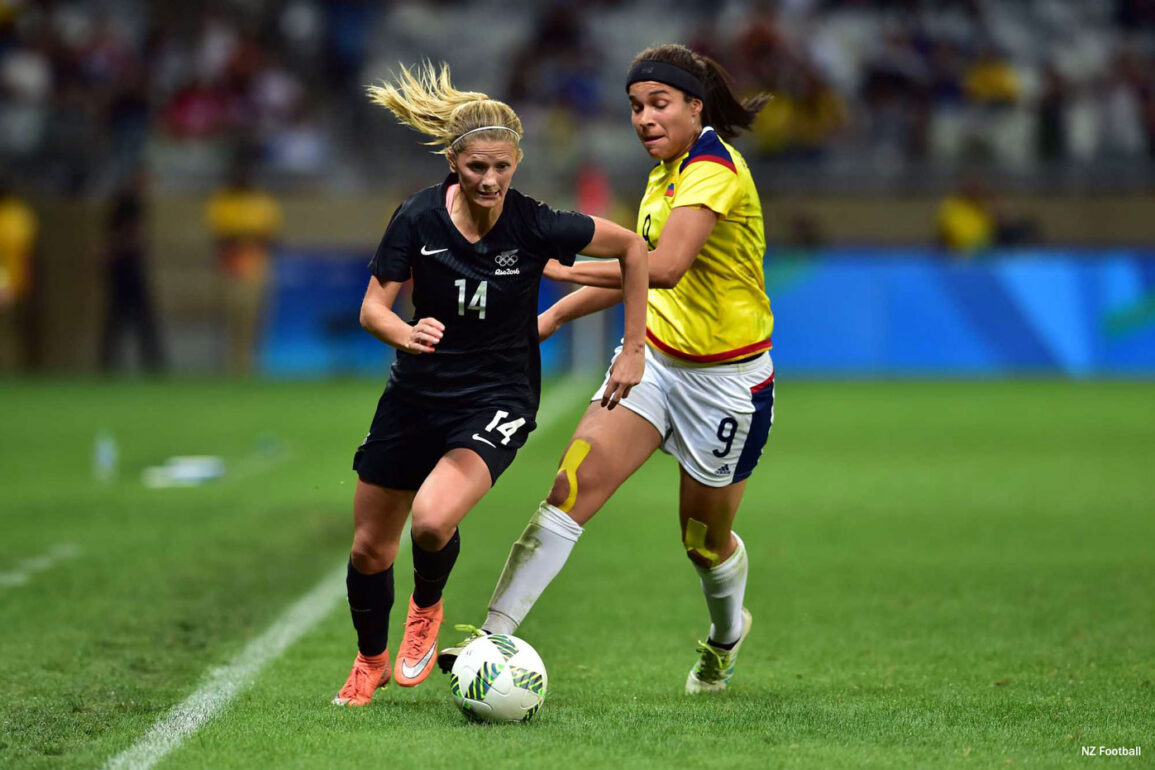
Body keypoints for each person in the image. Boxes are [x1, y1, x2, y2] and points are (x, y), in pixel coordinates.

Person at [438, 43, 776, 695]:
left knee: (703, 544)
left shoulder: (713, 169)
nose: (643, 118)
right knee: (568, 490)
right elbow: (641, 273)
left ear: (693, 107)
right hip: (655, 364)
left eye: (658, 104)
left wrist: (559, 268)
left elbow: (666, 266)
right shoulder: (666, 170)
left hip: (727, 382)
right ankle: (492, 637)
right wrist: (556, 315)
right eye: (634, 106)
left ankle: (726, 637)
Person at [333, 62, 649, 707]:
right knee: (369, 548)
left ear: (517, 162)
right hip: (415, 394)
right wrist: (404, 333)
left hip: (497, 396)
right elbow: (372, 308)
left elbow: (636, 252)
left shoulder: (535, 224)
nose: (491, 180)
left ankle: (426, 607)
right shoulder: (418, 218)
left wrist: (632, 345)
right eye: (477, 166)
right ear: (454, 161)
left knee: (431, 521)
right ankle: (369, 663)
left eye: (503, 167)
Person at [205, 158, 283, 375]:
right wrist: (244, 237)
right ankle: (232, 365)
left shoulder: (261, 202)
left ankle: (249, 365)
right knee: (231, 317)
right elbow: (220, 237)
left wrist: (242, 236)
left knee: (252, 318)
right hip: (229, 268)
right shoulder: (223, 201)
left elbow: (269, 237)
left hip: (256, 267)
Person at [100, 173, 166, 373]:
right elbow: (127, 237)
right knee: (131, 320)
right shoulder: (128, 205)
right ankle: (149, 363)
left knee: (122, 321)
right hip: (126, 271)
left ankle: (116, 363)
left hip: (127, 269)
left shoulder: (129, 204)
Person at [0, 184, 38, 372]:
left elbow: (24, 251)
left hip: (12, 281)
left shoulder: (12, 215)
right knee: (11, 331)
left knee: (11, 330)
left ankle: (12, 369)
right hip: (13, 281)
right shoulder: (19, 215)